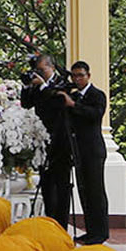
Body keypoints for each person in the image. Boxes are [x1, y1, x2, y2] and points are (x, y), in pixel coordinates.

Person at [21, 54, 77, 228]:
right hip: (42, 140)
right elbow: (26, 104)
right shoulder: (37, 86)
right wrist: (27, 86)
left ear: (51, 67)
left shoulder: (64, 83)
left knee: (61, 184)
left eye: (42, 70)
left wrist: (44, 86)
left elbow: (58, 101)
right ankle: (49, 220)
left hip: (61, 140)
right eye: (36, 70)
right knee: (46, 183)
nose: (39, 73)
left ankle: (61, 223)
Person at [65, 61, 110, 244]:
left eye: (80, 75)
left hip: (93, 150)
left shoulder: (97, 95)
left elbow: (94, 114)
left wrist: (73, 105)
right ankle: (90, 230)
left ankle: (101, 232)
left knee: (96, 191)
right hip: (78, 150)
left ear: (88, 76)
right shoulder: (74, 95)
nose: (77, 79)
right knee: (84, 190)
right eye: (74, 76)